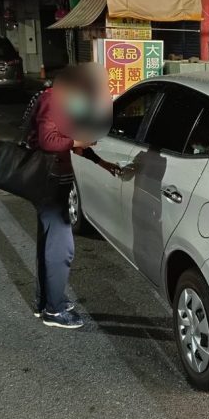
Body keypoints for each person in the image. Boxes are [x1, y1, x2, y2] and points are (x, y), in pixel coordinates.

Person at [26, 65, 119, 329]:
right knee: (61, 249)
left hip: (55, 180)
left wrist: (101, 162)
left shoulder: (65, 101)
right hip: (50, 183)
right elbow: (49, 141)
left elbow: (74, 139)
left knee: (49, 245)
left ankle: (46, 302)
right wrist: (79, 142)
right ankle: (54, 312)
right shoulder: (52, 100)